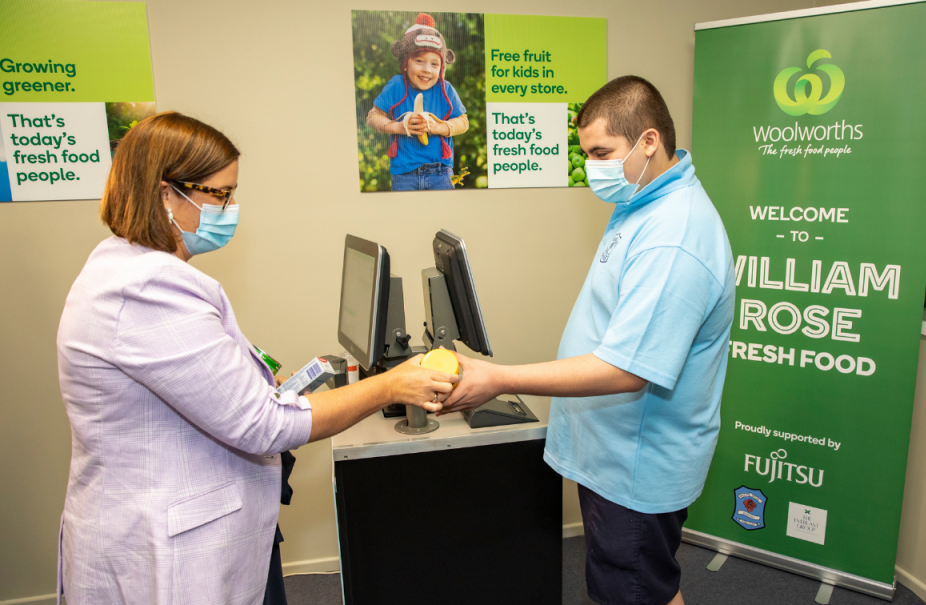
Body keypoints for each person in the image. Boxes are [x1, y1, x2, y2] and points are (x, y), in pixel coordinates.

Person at [56, 111, 458, 605]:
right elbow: (263, 426)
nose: (230, 208)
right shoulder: (147, 288)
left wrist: (259, 378)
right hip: (165, 551)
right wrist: (389, 387)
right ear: (166, 194)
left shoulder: (130, 266)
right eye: (219, 195)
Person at [442, 76, 736, 605]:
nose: (592, 167)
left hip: (636, 463)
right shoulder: (643, 201)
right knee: (640, 584)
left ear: (649, 141)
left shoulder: (675, 234)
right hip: (611, 447)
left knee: (632, 589)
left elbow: (628, 369)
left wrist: (501, 378)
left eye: (602, 152)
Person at [365, 12, 469, 191]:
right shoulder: (396, 85)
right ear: (405, 63)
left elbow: (463, 122)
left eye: (434, 64)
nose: (427, 69)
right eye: (419, 61)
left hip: (441, 171)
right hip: (404, 174)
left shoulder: (445, 88)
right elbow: (373, 117)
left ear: (442, 68)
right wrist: (398, 127)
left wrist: (437, 127)